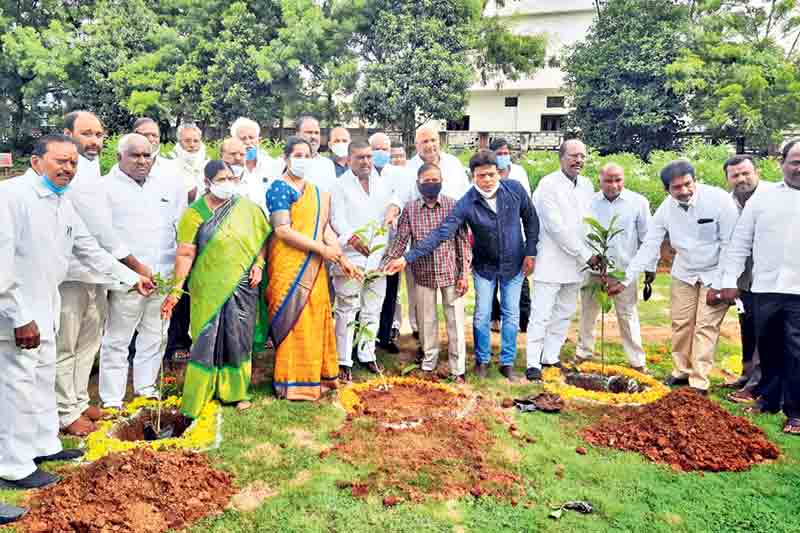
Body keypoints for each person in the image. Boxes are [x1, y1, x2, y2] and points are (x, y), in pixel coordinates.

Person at [0, 135, 152, 489]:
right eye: (60, 161)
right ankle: (12, 463)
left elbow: (88, 249)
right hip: (16, 312)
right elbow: (2, 266)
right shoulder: (11, 198)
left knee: (41, 381)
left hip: (46, 305)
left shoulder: (60, 202)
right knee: (16, 386)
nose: (68, 168)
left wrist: (131, 279)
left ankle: (42, 445)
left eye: (73, 163)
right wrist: (18, 316)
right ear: (36, 161)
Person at [387, 150, 538, 380]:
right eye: (481, 176)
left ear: (498, 173)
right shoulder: (466, 203)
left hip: (514, 264)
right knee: (482, 314)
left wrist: (530, 252)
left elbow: (531, 220)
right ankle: (482, 360)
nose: (487, 180)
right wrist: (406, 258)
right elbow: (441, 234)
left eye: (491, 174)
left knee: (511, 314)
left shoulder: (515, 190)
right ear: (473, 176)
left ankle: (507, 362)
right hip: (484, 267)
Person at [607, 160, 738, 395]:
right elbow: (649, 246)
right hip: (684, 271)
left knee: (706, 326)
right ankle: (681, 371)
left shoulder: (719, 200)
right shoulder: (666, 209)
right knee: (681, 323)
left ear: (694, 181)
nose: (684, 191)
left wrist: (724, 283)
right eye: (676, 188)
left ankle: (699, 381)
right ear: (667, 189)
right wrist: (625, 280)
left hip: (714, 272)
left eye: (687, 184)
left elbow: (730, 244)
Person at [57, 111, 151, 436]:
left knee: (88, 343)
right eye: (86, 134)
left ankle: (80, 401)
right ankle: (64, 413)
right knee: (66, 346)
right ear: (67, 133)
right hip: (70, 274)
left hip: (97, 272)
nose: (94, 141)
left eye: (98, 134)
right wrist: (135, 267)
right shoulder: (69, 172)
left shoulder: (90, 168)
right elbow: (98, 230)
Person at [161, 160, 270, 416]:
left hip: (242, 285)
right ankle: (202, 392)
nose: (227, 184)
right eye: (221, 179)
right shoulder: (194, 213)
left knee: (238, 338)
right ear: (207, 182)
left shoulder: (248, 209)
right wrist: (177, 289)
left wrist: (259, 264)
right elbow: (186, 253)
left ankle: (236, 391)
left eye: (231, 178)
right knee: (205, 339)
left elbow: (262, 238)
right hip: (207, 287)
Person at [266, 137, 359, 398]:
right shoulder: (278, 189)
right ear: (285, 158)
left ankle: (319, 376)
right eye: (297, 154)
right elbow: (283, 230)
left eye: (307, 155)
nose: (302, 160)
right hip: (288, 265)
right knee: (295, 318)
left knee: (316, 315)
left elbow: (325, 229)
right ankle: (293, 382)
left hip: (315, 266)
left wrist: (342, 258)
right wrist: (323, 251)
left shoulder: (317, 192)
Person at [98, 134, 186, 409]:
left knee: (156, 334)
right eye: (135, 155)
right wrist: (132, 270)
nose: (142, 161)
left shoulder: (164, 187)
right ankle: (111, 399)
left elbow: (176, 229)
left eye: (147, 155)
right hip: (126, 278)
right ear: (118, 157)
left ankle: (146, 388)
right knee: (118, 338)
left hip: (161, 275)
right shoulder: (105, 189)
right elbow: (105, 236)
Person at [720, 141, 800, 434]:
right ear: (782, 163)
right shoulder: (764, 199)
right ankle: (769, 399)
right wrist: (729, 280)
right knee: (767, 347)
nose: (799, 167)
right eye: (794, 161)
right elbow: (741, 242)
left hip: (799, 292)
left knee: (797, 351)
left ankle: (796, 413)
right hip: (765, 286)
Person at [381, 163, 471, 382]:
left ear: (441, 181)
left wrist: (464, 273)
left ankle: (457, 369)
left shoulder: (453, 205)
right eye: (426, 181)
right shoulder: (410, 209)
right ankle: (429, 363)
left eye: (435, 180)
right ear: (418, 184)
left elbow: (462, 243)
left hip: (450, 271)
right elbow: (401, 241)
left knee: (456, 322)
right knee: (426, 321)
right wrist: (385, 262)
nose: (431, 184)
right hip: (423, 274)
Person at [525, 139, 595, 381]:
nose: (578, 160)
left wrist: (590, 253)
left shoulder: (587, 185)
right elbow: (556, 228)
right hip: (551, 260)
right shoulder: (548, 185)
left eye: (582, 156)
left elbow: (588, 223)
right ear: (561, 158)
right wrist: (586, 254)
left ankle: (550, 357)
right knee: (541, 313)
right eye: (573, 156)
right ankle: (533, 362)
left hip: (577, 263)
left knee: (564, 312)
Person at [575, 163, 654, 372]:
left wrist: (648, 269)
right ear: (599, 180)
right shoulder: (588, 203)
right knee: (588, 313)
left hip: (624, 272)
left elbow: (648, 238)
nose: (613, 185)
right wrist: (590, 261)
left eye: (618, 179)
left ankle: (637, 361)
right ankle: (583, 353)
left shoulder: (638, 203)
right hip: (593, 270)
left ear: (624, 179)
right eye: (608, 180)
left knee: (627, 315)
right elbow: (582, 234)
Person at [331, 141, 398, 382]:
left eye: (369, 157)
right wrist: (352, 238)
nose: (366, 162)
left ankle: (367, 354)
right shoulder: (339, 186)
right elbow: (336, 218)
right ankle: (343, 360)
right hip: (351, 256)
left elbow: (396, 200)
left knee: (373, 308)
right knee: (347, 310)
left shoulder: (383, 181)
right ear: (349, 160)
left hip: (378, 256)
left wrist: (393, 209)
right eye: (360, 157)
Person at [721, 155, 772, 403]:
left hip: (771, 278)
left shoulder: (772, 197)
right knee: (747, 327)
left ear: (757, 172)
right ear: (728, 178)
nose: (741, 179)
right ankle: (746, 374)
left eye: (746, 173)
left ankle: (756, 386)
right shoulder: (728, 204)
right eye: (735, 175)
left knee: (766, 331)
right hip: (743, 279)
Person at [489, 138, 532, 333]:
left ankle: (524, 319)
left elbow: (527, 204)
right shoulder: (486, 174)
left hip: (516, 236)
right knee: (491, 278)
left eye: (506, 152)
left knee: (520, 278)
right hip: (490, 236)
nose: (503, 156)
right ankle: (494, 317)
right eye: (499, 153)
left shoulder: (519, 173)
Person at [407, 126, 471, 201]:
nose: (430, 145)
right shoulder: (409, 168)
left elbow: (466, 191)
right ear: (416, 145)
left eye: (433, 140)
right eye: (425, 141)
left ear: (439, 142)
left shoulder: (453, 162)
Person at [230, 117, 281, 209]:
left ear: (258, 140)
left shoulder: (271, 165)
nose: (248, 142)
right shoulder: (227, 168)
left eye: (251, 138)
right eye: (243, 138)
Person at [296, 115, 337, 193]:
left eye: (316, 133)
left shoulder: (327, 165)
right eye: (309, 132)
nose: (313, 136)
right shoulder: (286, 163)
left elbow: (332, 196)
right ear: (297, 135)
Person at [170, 122, 207, 202]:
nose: (192, 145)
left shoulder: (208, 165)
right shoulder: (170, 165)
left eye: (196, 141)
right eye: (187, 141)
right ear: (179, 142)